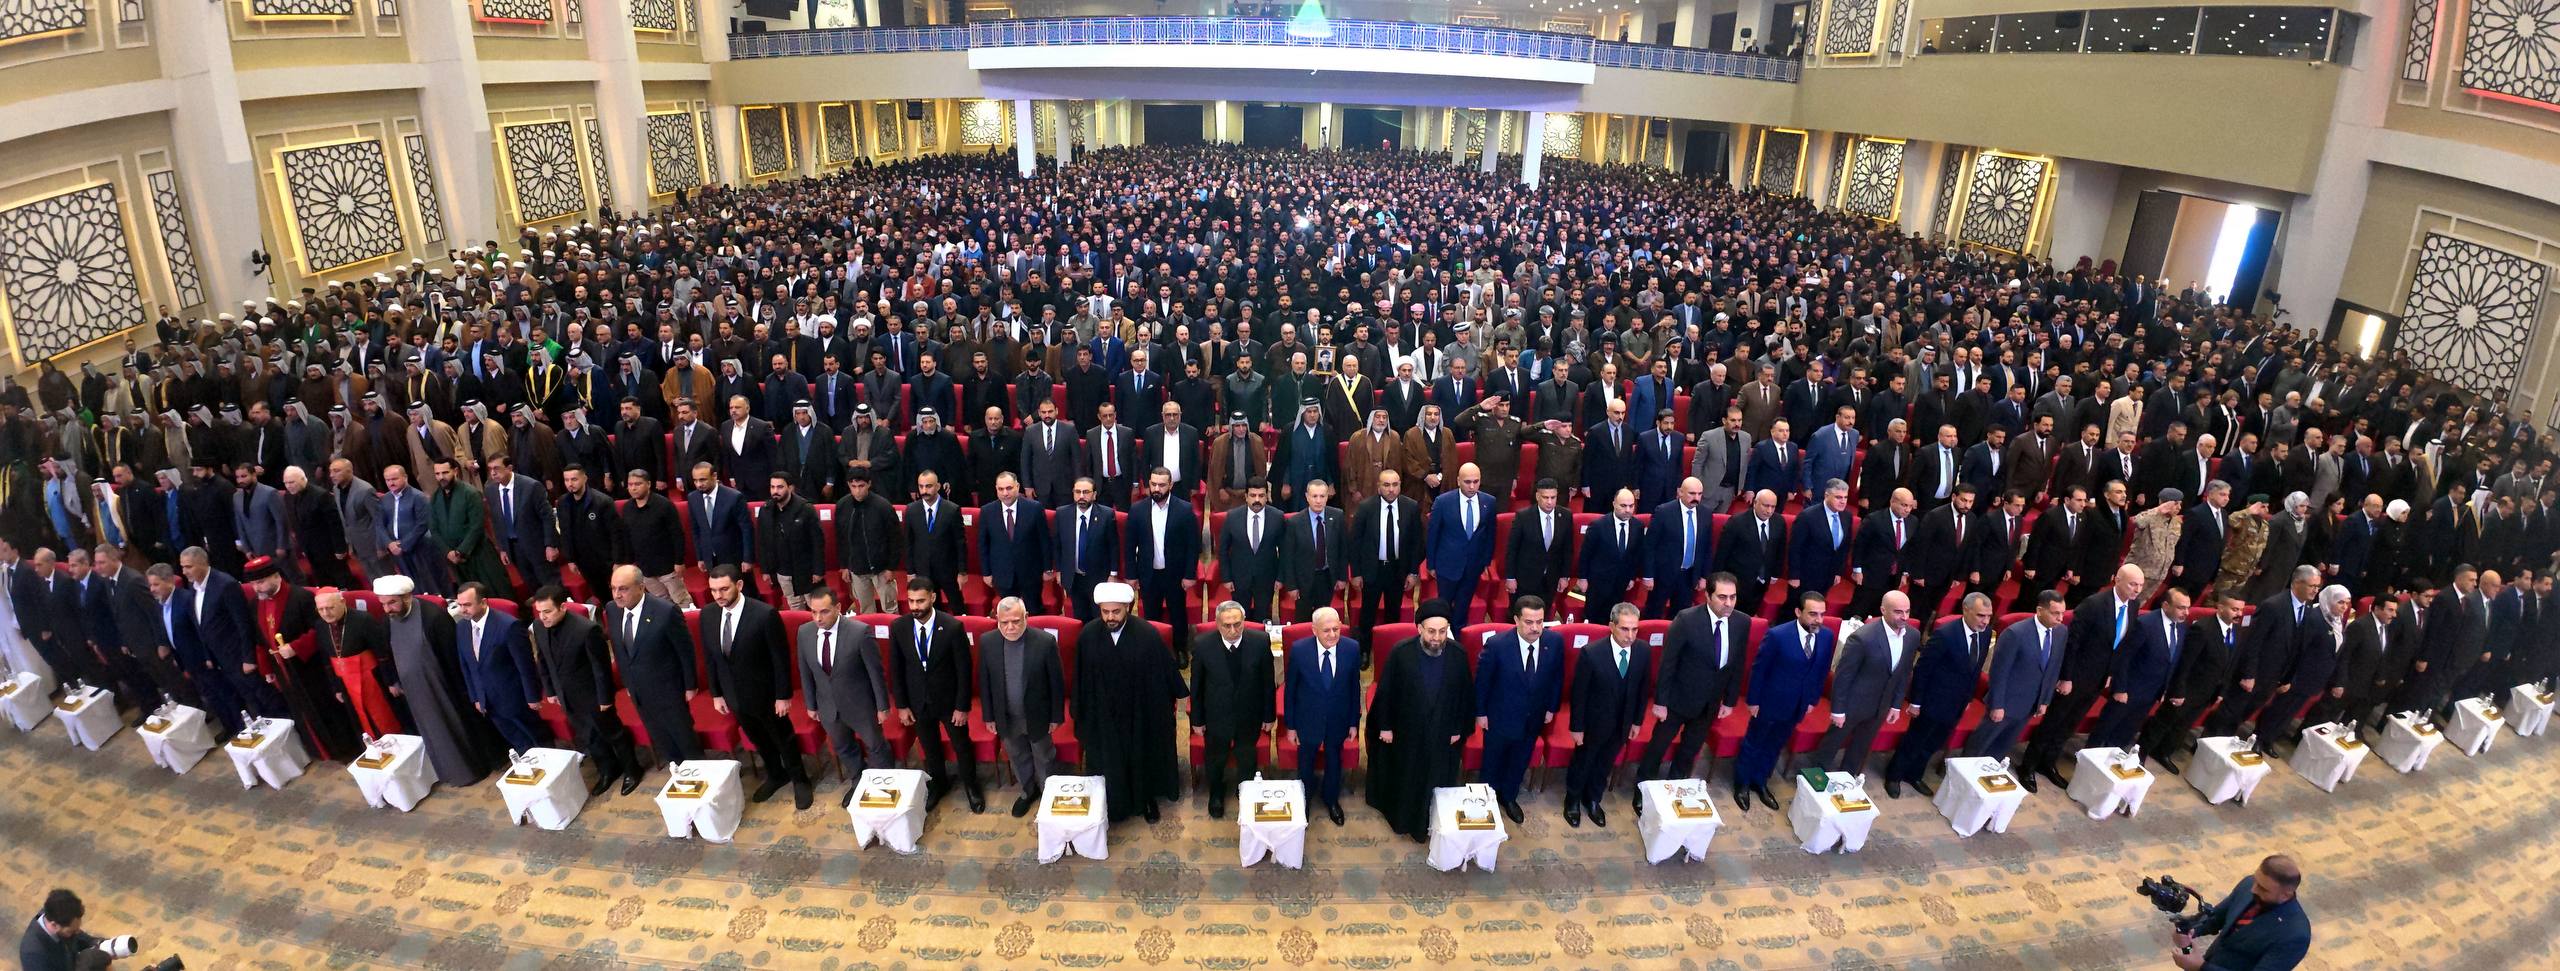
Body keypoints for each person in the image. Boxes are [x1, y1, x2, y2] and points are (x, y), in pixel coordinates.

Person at [2023, 564, 2147, 789]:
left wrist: (2110, 672)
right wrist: (2066, 677)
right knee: (2053, 721)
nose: (2137, 590)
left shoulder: (2133, 606)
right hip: (2076, 675)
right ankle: (2028, 766)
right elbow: (2073, 642)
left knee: (2070, 724)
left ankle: (2048, 762)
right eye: (2132, 584)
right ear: (2117, 580)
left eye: (2140, 585)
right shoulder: (2094, 604)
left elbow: (2121, 644)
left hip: (2098, 678)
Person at [1072, 581, 1187, 823]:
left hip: (1138, 712)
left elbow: (1163, 673)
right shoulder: (1088, 635)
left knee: (1141, 758)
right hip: (1103, 714)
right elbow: (1081, 678)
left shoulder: (1146, 634)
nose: (1110, 617)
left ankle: (1145, 799)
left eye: (1116, 611)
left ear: (1128, 607)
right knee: (1109, 761)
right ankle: (1114, 804)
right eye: (1105, 612)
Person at [1364, 600, 1476, 841]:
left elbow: (1465, 695)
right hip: (1407, 731)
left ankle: (1430, 822)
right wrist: (1385, 726)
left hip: (1442, 731)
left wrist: (1458, 728)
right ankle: (1404, 821)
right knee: (1407, 778)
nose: (1437, 638)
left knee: (1435, 779)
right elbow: (1386, 692)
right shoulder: (1401, 652)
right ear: (1419, 629)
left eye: (1442, 631)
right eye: (1431, 631)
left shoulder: (1458, 654)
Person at [703, 565, 812, 809]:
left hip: (766, 695)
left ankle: (799, 779)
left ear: (739, 585)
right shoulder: (708, 614)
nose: (718, 595)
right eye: (713, 590)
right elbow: (711, 657)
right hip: (734, 695)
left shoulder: (764, 614)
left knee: (783, 739)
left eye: (724, 589)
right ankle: (776, 774)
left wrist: (783, 696)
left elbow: (780, 659)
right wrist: (716, 693)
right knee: (758, 739)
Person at [374, 574, 491, 787]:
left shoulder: (433, 617)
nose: (387, 609)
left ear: (407, 597)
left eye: (392, 602)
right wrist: (394, 680)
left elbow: (453, 658)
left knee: (456, 728)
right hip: (414, 692)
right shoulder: (387, 621)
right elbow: (388, 654)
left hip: (444, 688)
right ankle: (447, 772)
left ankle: (471, 771)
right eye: (383, 604)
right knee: (432, 733)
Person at [1636, 575, 1746, 800]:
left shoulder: (1741, 622)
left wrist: (1730, 700)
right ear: (1708, 596)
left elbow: (1737, 663)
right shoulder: (1686, 620)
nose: (1728, 603)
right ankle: (1643, 789)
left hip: (1710, 703)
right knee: (1658, 747)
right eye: (1722, 597)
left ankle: (1675, 790)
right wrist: (1660, 701)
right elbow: (1668, 663)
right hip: (1677, 700)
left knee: (1689, 751)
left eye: (1733, 597)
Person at [525, 584, 639, 797]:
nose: (543, 617)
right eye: (539, 612)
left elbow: (601, 668)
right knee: (588, 737)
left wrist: (605, 698)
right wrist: (551, 690)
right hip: (566, 695)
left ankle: (632, 770)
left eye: (547, 611)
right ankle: (608, 769)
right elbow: (543, 660)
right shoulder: (539, 626)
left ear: (563, 607)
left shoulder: (586, 630)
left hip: (592, 695)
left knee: (613, 734)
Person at [242, 556, 356, 761]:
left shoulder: (301, 598)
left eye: (260, 582)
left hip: (311, 668)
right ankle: (319, 751)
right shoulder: (255, 605)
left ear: (276, 576)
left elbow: (320, 628)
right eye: (253, 584)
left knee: (324, 708)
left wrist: (296, 647)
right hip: (284, 671)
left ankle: (345, 750)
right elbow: (260, 640)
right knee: (301, 712)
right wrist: (267, 669)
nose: (256, 588)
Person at [1883, 593, 1996, 798]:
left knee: (1934, 742)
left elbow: (1975, 669)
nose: (1985, 621)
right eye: (1981, 615)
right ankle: (1894, 775)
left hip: (1957, 703)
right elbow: (1923, 669)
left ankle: (1914, 774)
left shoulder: (1986, 633)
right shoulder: (1946, 634)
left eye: (1989, 616)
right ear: (1966, 610)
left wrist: (1968, 697)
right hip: (1932, 700)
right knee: (1915, 740)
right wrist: (1916, 702)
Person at [1733, 591, 1834, 810]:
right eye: (1813, 614)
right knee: (1754, 742)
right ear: (1798, 612)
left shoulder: (1826, 636)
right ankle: (1742, 783)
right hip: (1770, 701)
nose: (1818, 619)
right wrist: (1753, 701)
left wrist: (1812, 699)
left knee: (1775, 745)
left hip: (1798, 704)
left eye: (1822, 614)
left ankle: (1760, 781)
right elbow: (1759, 670)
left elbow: (1821, 671)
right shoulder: (1778, 635)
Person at [886, 577, 980, 813]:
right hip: (918, 702)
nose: (915, 606)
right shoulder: (899, 627)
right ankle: (939, 784)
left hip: (949, 703)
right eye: (911, 601)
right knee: (930, 748)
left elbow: (964, 670)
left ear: (933, 598)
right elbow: (896, 669)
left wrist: (962, 706)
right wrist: (902, 705)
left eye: (920, 601)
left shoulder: (952, 627)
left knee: (961, 747)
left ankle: (971, 786)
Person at [795, 585, 890, 805]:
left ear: (838, 608)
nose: (818, 618)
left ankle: (883, 786)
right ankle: (859, 782)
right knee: (844, 747)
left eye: (824, 612)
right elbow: (805, 671)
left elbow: (876, 673)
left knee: (876, 747)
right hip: (828, 707)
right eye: (813, 612)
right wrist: (811, 704)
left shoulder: (860, 632)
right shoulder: (805, 633)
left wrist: (882, 706)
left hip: (860, 705)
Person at [602, 564, 702, 771]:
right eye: (613, 588)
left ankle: (702, 777)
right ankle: (680, 775)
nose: (617, 594)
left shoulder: (665, 611)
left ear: (641, 587)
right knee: (662, 739)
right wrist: (628, 683)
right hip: (639, 691)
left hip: (669, 690)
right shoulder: (612, 610)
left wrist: (690, 685)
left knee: (685, 741)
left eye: (623, 589)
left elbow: (686, 651)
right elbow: (621, 651)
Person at [1809, 590, 1918, 776]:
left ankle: (1847, 779)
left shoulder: (1912, 636)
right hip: (1852, 704)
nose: (1904, 617)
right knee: (1832, 743)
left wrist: (1896, 705)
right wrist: (1838, 709)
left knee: (1860, 747)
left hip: (1881, 705)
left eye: (1907, 611)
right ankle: (1814, 779)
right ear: (1883, 610)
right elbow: (1843, 676)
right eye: (1898, 612)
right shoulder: (1863, 637)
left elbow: (1904, 672)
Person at [1564, 602, 1653, 827]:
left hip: (1623, 724)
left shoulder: (1643, 651)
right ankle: (1572, 800)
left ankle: (1593, 799)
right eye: (1625, 629)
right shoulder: (1592, 653)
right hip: (1594, 723)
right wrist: (1577, 727)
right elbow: (1579, 694)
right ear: (1612, 626)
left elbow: (1643, 690)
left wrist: (1637, 721)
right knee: (1583, 762)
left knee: (1604, 764)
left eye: (1635, 629)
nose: (1630, 635)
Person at [977, 596, 1067, 817]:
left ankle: (1048, 792)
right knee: (1018, 755)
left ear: (1026, 617)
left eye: (1016, 621)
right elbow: (985, 682)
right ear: (997, 619)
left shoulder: (1044, 642)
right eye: (1004, 622)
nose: (1010, 627)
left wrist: (1056, 716)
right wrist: (989, 716)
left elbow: (1057, 683)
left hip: (1037, 715)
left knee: (1044, 755)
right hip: (1006, 716)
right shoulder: (988, 642)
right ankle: (1028, 791)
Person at [1189, 600, 1275, 820]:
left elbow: (1268, 682)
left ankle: (1245, 790)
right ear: (1217, 624)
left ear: (1244, 621)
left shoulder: (1260, 641)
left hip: (1249, 713)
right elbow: (1196, 686)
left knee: (1247, 756)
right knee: (1216, 758)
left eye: (1237, 624)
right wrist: (1197, 719)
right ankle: (1216, 793)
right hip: (1216, 715)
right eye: (1227, 625)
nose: (1233, 630)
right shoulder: (1202, 644)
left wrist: (1269, 715)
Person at [1966, 591, 2068, 764]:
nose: (2060, 618)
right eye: (2055, 613)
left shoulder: (2061, 632)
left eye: (2063, 613)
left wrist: (2044, 700)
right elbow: (1999, 672)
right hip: (2005, 704)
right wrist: (1997, 705)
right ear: (2040, 611)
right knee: (1980, 746)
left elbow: (2054, 667)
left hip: (2029, 705)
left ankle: (1987, 773)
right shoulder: (2016, 633)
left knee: (2001, 747)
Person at [1285, 607, 1363, 826]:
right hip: (1307, 719)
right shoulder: (1299, 650)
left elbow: (1354, 688)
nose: (1332, 635)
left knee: (1334, 760)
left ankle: (1331, 800)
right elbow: (1290, 690)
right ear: (1314, 630)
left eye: (1336, 629)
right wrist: (1291, 726)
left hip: (1338, 719)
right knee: (1306, 762)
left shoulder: (1351, 648)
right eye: (1326, 630)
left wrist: (1353, 722)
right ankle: (1304, 800)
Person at [451, 582, 547, 755]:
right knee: (519, 745)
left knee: (538, 741)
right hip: (488, 702)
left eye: (467, 605)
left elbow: (525, 665)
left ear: (483, 602)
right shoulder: (461, 627)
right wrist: (476, 697)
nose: (462, 610)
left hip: (515, 699)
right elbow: (466, 665)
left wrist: (533, 696)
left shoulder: (509, 626)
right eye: (460, 605)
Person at [2171, 855, 2312, 971]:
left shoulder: (2295, 935)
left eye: (2263, 888)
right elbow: (2217, 917)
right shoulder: (2249, 884)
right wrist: (2191, 930)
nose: (2253, 889)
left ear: (2286, 895)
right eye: (2256, 880)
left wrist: (2201, 967)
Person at [1125, 468, 1200, 655]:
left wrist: (1190, 574)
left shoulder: (1184, 509)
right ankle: (1154, 651)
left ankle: (1180, 649)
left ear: (1171, 485)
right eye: (1153, 484)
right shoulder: (1137, 510)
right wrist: (1131, 575)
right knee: (1151, 615)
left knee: (1178, 613)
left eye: (1161, 485)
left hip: (1175, 574)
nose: (1157, 489)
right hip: (1148, 573)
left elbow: (1193, 545)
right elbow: (1129, 546)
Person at [1424, 463, 1499, 624]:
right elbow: (1432, 535)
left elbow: (1490, 535)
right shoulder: (1443, 502)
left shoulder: (1489, 502)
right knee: (1443, 607)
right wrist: (1431, 564)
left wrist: (1485, 562)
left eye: (1476, 481)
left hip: (1473, 566)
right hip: (1447, 566)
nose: (1472, 486)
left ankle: (1458, 634)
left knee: (1463, 607)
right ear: (1458, 481)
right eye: (1467, 482)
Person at [1216, 481, 1284, 621]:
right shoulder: (1232, 516)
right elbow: (1222, 549)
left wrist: (1281, 577)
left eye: (1261, 495)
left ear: (1267, 496)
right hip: (1239, 577)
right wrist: (1226, 577)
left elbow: (1285, 550)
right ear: (1246, 496)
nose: (1257, 500)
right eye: (1253, 495)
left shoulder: (1277, 517)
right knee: (1239, 617)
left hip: (1266, 577)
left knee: (1262, 617)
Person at [17, 889, 117, 971]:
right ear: (54, 925)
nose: (77, 932)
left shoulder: (56, 913)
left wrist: (99, 943)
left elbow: (78, 937)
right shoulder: (33, 955)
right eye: (72, 931)